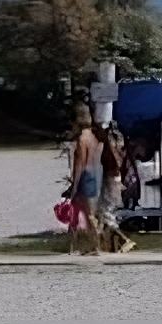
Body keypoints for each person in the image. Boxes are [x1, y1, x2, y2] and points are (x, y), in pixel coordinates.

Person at [65, 108, 105, 255]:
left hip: (84, 178)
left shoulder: (82, 139)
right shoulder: (94, 137)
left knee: (76, 213)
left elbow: (80, 164)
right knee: (89, 215)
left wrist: (74, 186)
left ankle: (76, 247)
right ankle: (92, 246)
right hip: (94, 177)